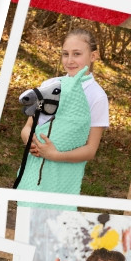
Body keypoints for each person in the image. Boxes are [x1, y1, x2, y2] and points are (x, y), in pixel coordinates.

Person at [16, 28, 109, 196]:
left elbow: (90, 150)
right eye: (65, 54)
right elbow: (28, 127)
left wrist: (54, 155)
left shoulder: (97, 96)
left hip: (62, 180)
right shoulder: (49, 85)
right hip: (32, 173)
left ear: (93, 56)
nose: (69, 60)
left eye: (77, 54)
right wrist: (31, 142)